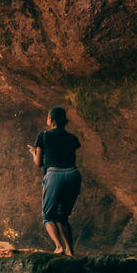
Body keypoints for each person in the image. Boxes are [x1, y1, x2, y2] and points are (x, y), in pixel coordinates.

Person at [26, 106, 81, 256]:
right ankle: (70, 251)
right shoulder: (73, 139)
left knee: (48, 216)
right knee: (62, 216)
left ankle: (59, 247)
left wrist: (33, 153)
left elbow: (39, 163)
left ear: (50, 119)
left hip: (54, 175)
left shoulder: (43, 136)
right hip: (73, 175)